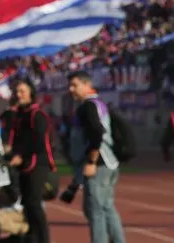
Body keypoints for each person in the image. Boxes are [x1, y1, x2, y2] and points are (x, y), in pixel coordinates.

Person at [67, 71, 126, 243]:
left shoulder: (88, 106)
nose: (71, 89)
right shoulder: (98, 103)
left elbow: (96, 133)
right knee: (106, 208)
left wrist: (92, 161)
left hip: (99, 165)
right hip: (109, 162)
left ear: (87, 85)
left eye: (75, 85)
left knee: (96, 211)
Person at [6, 79, 54, 243]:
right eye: (17, 92)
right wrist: (11, 151)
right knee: (27, 203)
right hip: (24, 165)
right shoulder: (19, 115)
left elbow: (40, 142)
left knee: (34, 203)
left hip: (37, 164)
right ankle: (33, 237)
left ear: (31, 93)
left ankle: (43, 239)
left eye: (22, 91)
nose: (19, 95)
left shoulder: (37, 115)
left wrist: (21, 156)